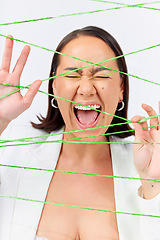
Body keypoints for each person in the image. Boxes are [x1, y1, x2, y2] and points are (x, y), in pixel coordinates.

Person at [0, 26, 160, 240]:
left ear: (121, 89)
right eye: (72, 75)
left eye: (102, 76)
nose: (86, 89)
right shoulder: (13, 150)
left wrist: (153, 184)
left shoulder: (147, 163)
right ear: (54, 86)